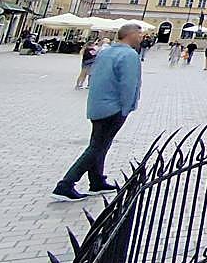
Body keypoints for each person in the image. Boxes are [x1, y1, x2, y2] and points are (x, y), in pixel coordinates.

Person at [52, 23, 144, 201]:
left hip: (97, 105)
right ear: (130, 35)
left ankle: (97, 181)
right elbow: (128, 84)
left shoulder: (106, 52)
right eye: (139, 34)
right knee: (97, 146)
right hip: (114, 107)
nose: (142, 38)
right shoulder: (129, 55)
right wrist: (127, 107)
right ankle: (66, 184)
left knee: (101, 143)